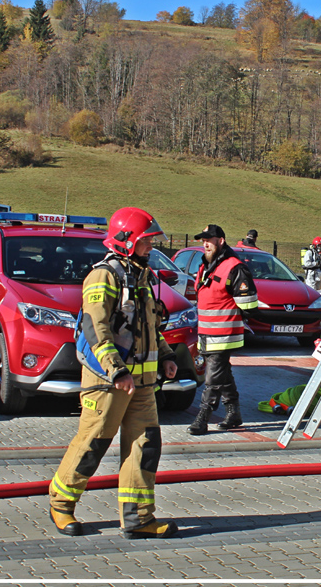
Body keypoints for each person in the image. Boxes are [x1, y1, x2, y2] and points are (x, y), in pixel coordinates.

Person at [49, 207, 179, 540]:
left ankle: (138, 518)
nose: (152, 247)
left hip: (143, 385)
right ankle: (61, 504)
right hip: (109, 383)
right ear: (127, 241)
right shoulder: (104, 276)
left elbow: (148, 326)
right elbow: (96, 328)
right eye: (147, 241)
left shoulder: (142, 276)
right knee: (93, 444)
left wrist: (165, 355)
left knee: (145, 447)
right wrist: (116, 370)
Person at [189, 224, 259, 436]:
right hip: (206, 334)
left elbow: (249, 304)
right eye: (203, 240)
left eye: (209, 240)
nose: (205, 243)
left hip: (224, 335)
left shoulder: (234, 267)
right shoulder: (205, 266)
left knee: (212, 377)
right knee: (223, 374)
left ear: (221, 240)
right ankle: (233, 413)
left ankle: (203, 417)